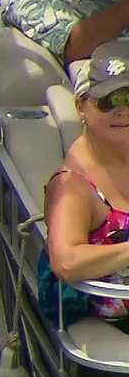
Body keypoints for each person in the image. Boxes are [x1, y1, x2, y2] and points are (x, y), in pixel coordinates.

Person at [44, 43, 129, 324]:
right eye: (109, 102)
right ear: (82, 106)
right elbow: (66, 261)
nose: (122, 111)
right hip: (115, 324)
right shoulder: (72, 185)